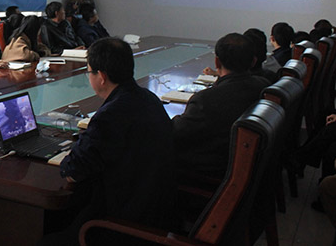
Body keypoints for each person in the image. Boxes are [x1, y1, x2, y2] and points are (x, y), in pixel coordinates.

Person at [42, 38, 174, 245]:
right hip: (157, 212)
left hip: (122, 224)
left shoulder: (109, 116)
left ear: (101, 77)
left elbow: (72, 172)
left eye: (89, 72)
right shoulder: (149, 98)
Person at [172, 33, 269, 176]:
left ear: (217, 62)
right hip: (248, 166)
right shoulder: (265, 87)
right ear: (254, 61)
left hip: (211, 171)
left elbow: (175, 134)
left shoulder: (206, 100)